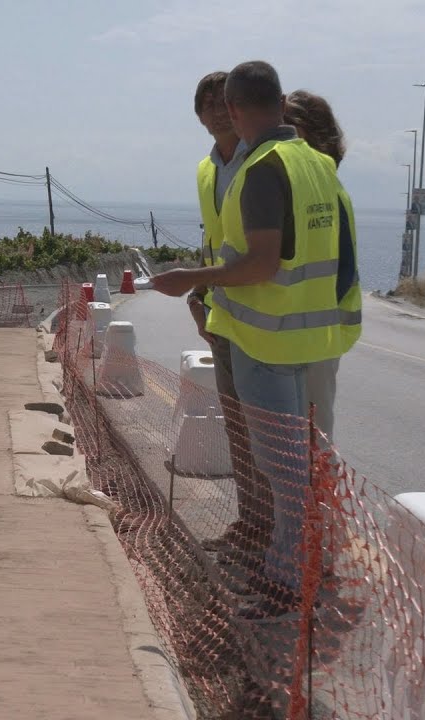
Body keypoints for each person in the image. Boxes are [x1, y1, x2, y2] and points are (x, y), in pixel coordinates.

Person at [151, 61, 362, 620]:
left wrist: (190, 281)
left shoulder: (264, 167)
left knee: (285, 473)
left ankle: (287, 586)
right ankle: (296, 569)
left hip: (269, 343)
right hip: (311, 336)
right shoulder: (316, 163)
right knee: (303, 466)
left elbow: (262, 263)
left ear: (240, 110)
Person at [185, 71, 270, 561]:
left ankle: (276, 539)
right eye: (207, 103)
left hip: (262, 317)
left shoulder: (260, 160)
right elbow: (214, 241)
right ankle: (250, 523)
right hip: (223, 315)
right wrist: (198, 295)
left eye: (224, 102)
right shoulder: (207, 169)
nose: (217, 110)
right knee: (237, 429)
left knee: (266, 435)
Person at [282, 89, 361, 443]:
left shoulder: (324, 188)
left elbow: (342, 270)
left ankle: (318, 499)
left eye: (288, 129)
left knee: (313, 439)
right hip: (299, 337)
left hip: (316, 338)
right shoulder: (307, 186)